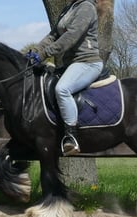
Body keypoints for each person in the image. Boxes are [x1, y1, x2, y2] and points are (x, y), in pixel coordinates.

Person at [27, 0, 103, 156]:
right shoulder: (68, 9)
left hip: (87, 62)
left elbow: (72, 35)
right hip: (70, 65)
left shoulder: (86, 8)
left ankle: (71, 137)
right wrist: (35, 51)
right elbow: (52, 36)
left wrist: (43, 54)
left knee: (62, 89)